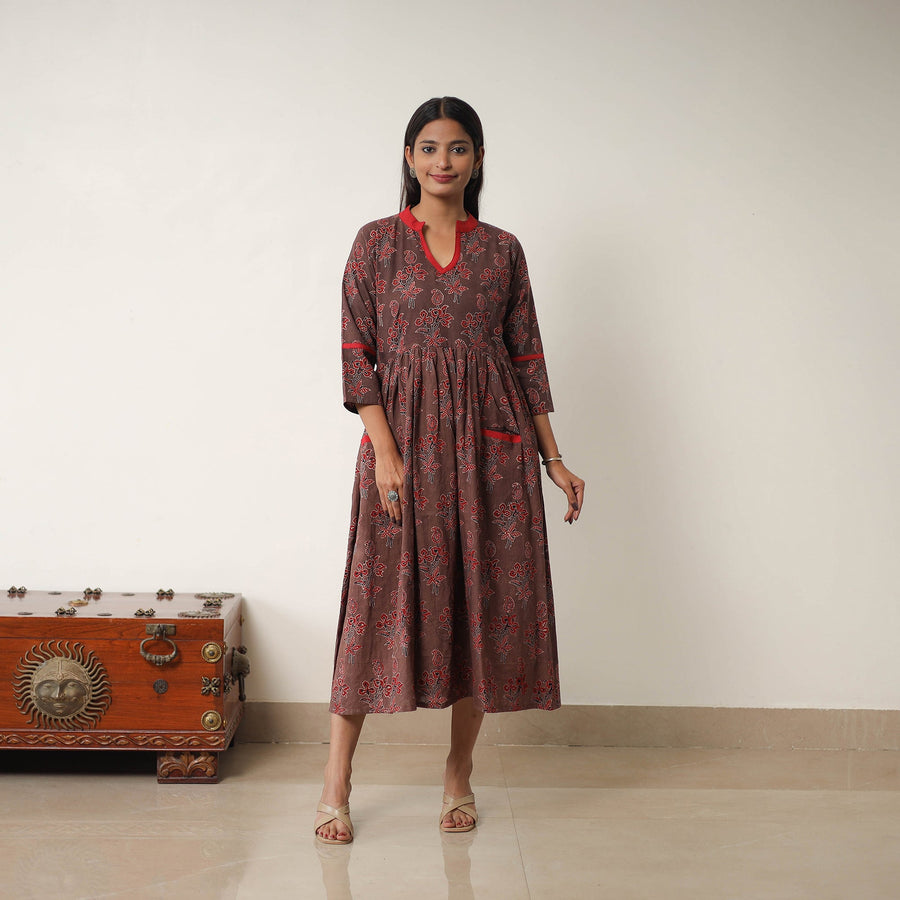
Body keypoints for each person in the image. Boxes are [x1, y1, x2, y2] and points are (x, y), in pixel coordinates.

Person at [315, 97, 585, 844]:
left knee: (480, 605)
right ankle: (335, 782)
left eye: (458, 148)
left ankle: (459, 772)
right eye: (429, 147)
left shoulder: (502, 250)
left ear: (477, 159)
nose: (443, 161)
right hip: (402, 447)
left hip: (492, 452)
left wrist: (554, 458)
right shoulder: (376, 243)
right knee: (374, 604)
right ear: (409, 158)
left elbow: (527, 357)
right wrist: (385, 452)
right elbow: (356, 353)